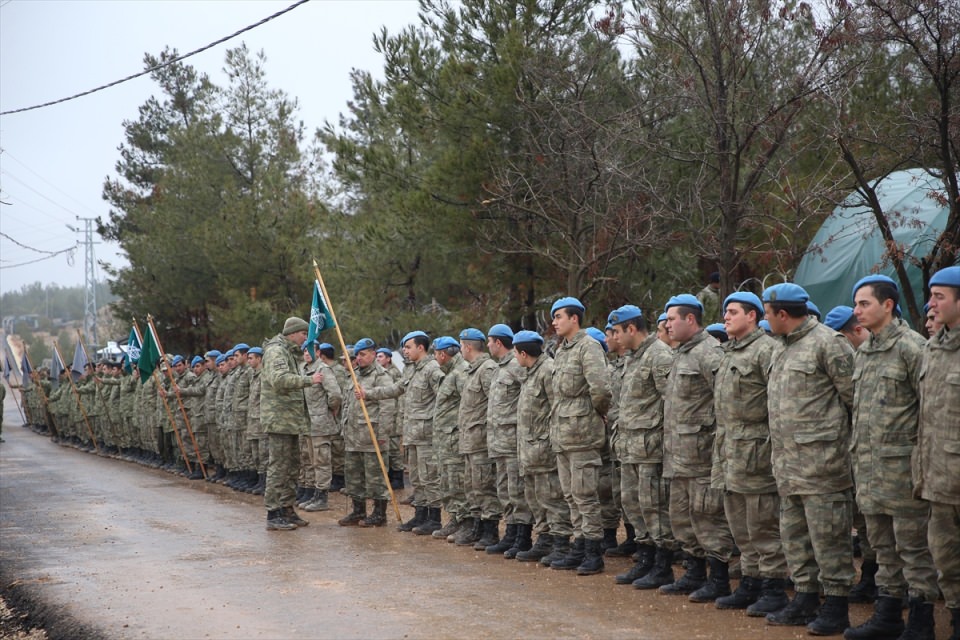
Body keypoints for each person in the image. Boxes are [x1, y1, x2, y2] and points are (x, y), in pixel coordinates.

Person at [844, 275, 937, 640]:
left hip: (903, 473)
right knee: (882, 548)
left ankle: (921, 622)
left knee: (913, 549)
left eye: (864, 303)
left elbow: (929, 410)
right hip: (870, 471)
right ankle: (888, 615)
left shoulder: (913, 348)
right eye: (856, 304)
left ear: (887, 305)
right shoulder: (864, 351)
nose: (857, 310)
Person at [763, 283, 856, 635]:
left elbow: (854, 400)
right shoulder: (781, 348)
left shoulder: (829, 343)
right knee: (795, 537)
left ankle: (836, 605)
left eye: (768, 314)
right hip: (788, 465)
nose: (766, 320)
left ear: (782, 314)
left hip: (823, 466)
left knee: (829, 538)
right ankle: (804, 597)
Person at [711, 292, 789, 615]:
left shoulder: (766, 350)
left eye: (733, 312)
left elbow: (778, 404)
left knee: (763, 525)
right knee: (740, 526)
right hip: (730, 452)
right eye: (725, 312)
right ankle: (750, 582)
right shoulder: (729, 352)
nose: (726, 317)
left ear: (752, 316)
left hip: (756, 453)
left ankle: (774, 587)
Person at [661, 294, 732, 601]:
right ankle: (694, 573)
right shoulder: (680, 353)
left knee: (707, 517)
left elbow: (725, 400)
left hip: (702, 455)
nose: (667, 325)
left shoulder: (709, 352)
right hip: (678, 455)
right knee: (682, 517)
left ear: (690, 319)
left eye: (671, 319)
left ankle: (719, 579)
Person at [608, 304, 676, 589]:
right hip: (630, 447)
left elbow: (671, 402)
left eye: (616, 331)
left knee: (653, 507)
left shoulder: (659, 355)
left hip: (650, 449)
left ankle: (662, 565)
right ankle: (645, 558)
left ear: (632, 329)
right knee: (633, 504)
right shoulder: (632, 358)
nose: (613, 337)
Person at [549, 296, 612, 575]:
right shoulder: (562, 350)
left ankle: (593, 551)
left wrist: (594, 415)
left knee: (585, 495)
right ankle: (579, 544)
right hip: (563, 434)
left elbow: (601, 390)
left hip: (583, 434)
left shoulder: (589, 347)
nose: (554, 322)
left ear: (574, 318)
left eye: (558, 317)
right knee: (571, 495)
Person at [359, 331, 444, 533]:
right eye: (404, 348)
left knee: (429, 478)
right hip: (413, 434)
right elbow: (396, 389)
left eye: (408, 347)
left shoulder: (432, 369)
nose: (405, 351)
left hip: (427, 435)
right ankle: (420, 515)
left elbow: (443, 398)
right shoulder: (411, 369)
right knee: (416, 478)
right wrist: (367, 394)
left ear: (421, 348)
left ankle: (434, 518)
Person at [914, 266, 960, 640]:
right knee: (946, 558)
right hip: (938, 477)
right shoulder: (931, 349)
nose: (931, 304)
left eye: (939, 296)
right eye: (931, 296)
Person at [512, 330, 573, 564]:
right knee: (535, 498)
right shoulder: (530, 373)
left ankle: (561, 543)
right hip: (529, 450)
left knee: (552, 498)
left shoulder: (548, 370)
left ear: (523, 353)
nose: (514, 357)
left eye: (515, 352)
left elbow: (557, 408)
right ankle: (545, 540)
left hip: (544, 449)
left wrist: (550, 440)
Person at [261, 317, 325, 531]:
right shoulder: (276, 351)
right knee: (279, 467)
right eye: (303, 334)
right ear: (292, 333)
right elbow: (279, 380)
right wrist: (309, 380)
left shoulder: (288, 352)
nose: (306, 338)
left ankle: (286, 508)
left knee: (291, 467)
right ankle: (273, 512)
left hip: (289, 420)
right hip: (279, 419)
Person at [484, 324, 533, 557]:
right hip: (498, 441)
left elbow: (530, 392)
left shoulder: (515, 365)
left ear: (498, 342)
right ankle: (511, 533)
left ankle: (523, 536)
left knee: (517, 490)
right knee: (504, 489)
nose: (487, 345)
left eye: (490, 341)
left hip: (513, 440)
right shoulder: (498, 368)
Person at [339, 338, 395, 527]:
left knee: (376, 477)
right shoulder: (354, 375)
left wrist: (383, 434)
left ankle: (379, 514)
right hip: (353, 436)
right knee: (353, 476)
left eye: (363, 354)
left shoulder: (381, 376)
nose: (359, 358)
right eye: (357, 355)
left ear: (373, 354)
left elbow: (387, 406)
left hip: (372, 436)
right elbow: (347, 404)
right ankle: (358, 511)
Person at [454, 328, 501, 548]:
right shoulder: (473, 370)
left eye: (461, 346)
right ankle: (477, 526)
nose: (460, 350)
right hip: (469, 440)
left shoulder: (487, 368)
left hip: (480, 440)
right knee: (472, 486)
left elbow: (495, 403)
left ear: (468, 346)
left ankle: (490, 531)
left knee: (484, 486)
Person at [430, 336, 470, 540]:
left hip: (455, 438)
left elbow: (470, 403)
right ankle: (455, 518)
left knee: (457, 482)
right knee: (447, 481)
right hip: (445, 439)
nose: (435, 357)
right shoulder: (449, 373)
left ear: (443, 354)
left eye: (436, 354)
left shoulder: (460, 372)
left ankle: (465, 522)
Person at [301, 341, 343, 512]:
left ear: (318, 352)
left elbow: (335, 394)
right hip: (307, 424)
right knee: (312, 460)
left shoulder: (323, 369)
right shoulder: (303, 370)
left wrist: (331, 409)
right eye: (304, 351)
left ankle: (322, 497)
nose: (307, 353)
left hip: (320, 423)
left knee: (322, 461)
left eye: (310, 350)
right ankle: (314, 493)